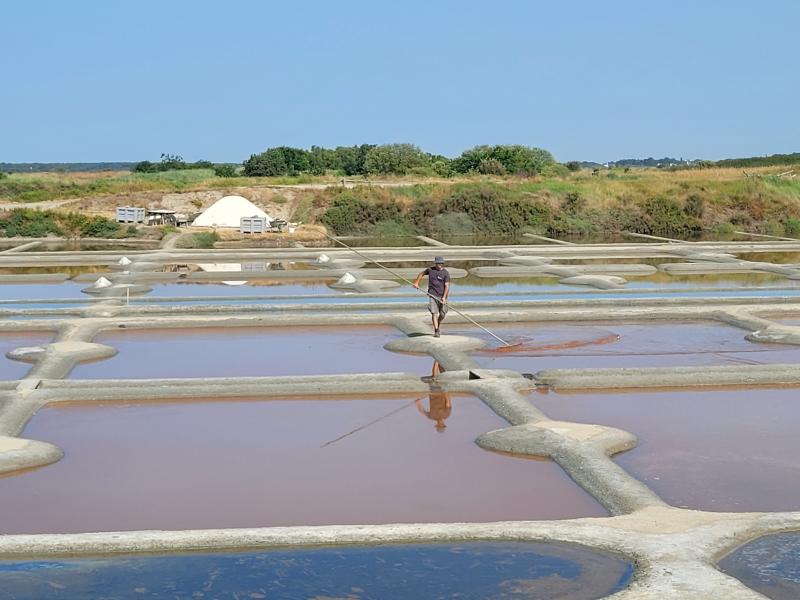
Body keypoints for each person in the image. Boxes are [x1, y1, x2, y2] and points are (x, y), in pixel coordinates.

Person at [413, 256, 450, 338]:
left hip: (442, 296)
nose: (440, 264)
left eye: (441, 263)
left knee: (443, 314)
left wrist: (444, 298)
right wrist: (416, 282)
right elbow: (421, 273)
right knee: (434, 313)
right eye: (438, 263)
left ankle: (438, 323)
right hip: (432, 295)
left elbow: (447, 286)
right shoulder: (430, 270)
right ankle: (436, 331)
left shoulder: (445, 273)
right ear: (436, 263)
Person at [416, 361, 452, 431]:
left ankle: (437, 360)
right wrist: (446, 391)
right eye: (441, 425)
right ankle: (438, 360)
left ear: (437, 425)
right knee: (439, 376)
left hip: (432, 392)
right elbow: (448, 402)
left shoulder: (431, 417)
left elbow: (423, 412)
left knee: (435, 376)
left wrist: (417, 403)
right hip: (441, 392)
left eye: (440, 425)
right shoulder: (446, 415)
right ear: (443, 424)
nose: (440, 424)